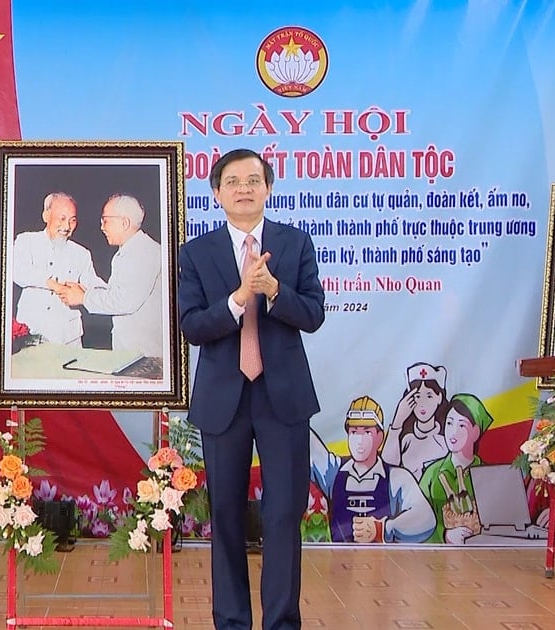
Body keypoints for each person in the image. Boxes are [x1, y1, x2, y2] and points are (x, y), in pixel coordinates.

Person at [177, 148, 325, 630]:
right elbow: (192, 326)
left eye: (254, 180)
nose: (244, 188)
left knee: (283, 515)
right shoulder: (195, 252)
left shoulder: (295, 243)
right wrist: (240, 299)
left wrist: (275, 290)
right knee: (226, 518)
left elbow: (314, 315)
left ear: (268, 188)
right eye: (233, 181)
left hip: (282, 399)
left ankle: (282, 622)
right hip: (225, 400)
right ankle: (232, 622)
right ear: (217, 192)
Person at [309, 396, 434, 544]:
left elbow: (426, 518)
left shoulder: (396, 478)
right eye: (354, 432)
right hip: (340, 563)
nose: (359, 440)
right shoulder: (333, 472)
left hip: (385, 563)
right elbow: (307, 443)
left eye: (367, 432)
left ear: (379, 437)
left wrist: (383, 529)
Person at [56, 194, 164, 358]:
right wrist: (86, 291)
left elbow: (124, 301)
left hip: (146, 356)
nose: (102, 227)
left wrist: (84, 297)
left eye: (105, 220)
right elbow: (117, 293)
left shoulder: (143, 253)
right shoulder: (130, 251)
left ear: (124, 222)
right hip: (132, 351)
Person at [11, 192, 104, 346]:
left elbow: (92, 284)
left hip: (68, 337)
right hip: (32, 334)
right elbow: (19, 272)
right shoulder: (26, 241)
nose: (67, 226)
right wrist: (52, 284)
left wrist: (109, 293)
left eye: (72, 221)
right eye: (62, 219)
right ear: (46, 216)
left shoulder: (82, 253)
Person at [419, 393, 493, 544]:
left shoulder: (488, 476)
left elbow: (500, 522)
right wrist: (444, 535)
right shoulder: (432, 474)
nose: (453, 432)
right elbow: (417, 521)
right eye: (449, 423)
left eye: (461, 425)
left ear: (476, 432)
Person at [380, 362, 450, 481]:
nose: (423, 404)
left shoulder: (446, 440)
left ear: (439, 398)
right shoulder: (406, 439)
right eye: (417, 396)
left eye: (429, 396)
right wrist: (397, 422)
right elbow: (387, 466)